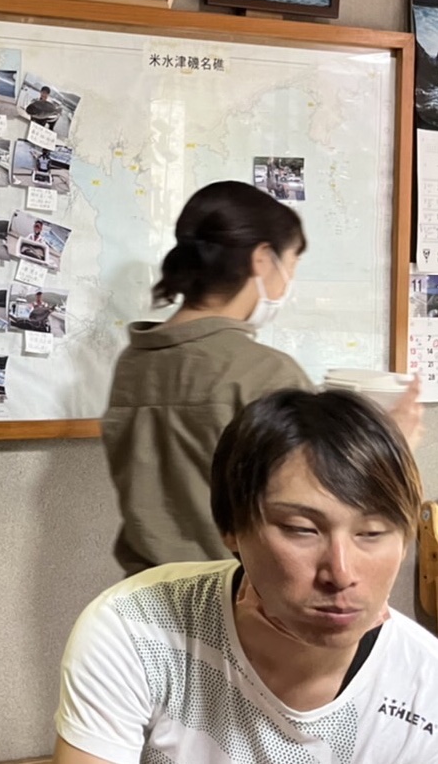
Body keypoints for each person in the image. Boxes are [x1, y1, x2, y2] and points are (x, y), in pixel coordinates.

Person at [54, 389, 438, 764]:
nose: (341, 573)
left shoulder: (426, 682)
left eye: (371, 532)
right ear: (232, 527)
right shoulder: (138, 627)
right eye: (302, 529)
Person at [102, 181, 421, 576]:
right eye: (291, 265)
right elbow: (329, 502)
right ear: (262, 259)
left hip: (142, 592)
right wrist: (393, 442)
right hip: (237, 596)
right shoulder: (265, 372)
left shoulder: (133, 362)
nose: (288, 283)